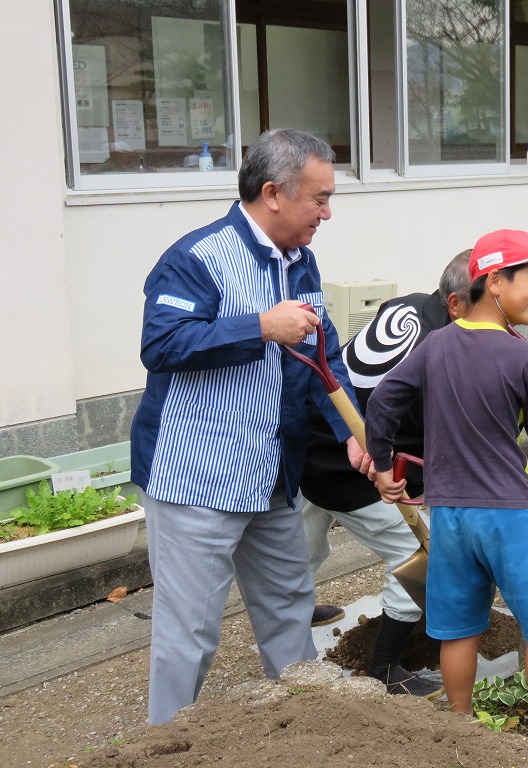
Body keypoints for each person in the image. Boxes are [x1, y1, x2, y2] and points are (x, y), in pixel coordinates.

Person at [131, 128, 362, 725]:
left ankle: (303, 730)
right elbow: (161, 343)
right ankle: (163, 748)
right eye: (320, 198)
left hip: (271, 479)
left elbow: (323, 357)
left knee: (290, 607)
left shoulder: (301, 262)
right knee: (190, 634)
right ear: (274, 193)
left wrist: (357, 435)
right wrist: (258, 325)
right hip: (196, 481)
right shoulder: (197, 258)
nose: (328, 213)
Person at [366, 230, 528, 761]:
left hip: (450, 516)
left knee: (458, 628)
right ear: (495, 282)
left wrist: (385, 467)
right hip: (508, 514)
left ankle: (460, 727)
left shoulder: (435, 345)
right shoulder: (525, 358)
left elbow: (385, 399)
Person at [300, 250, 472, 696]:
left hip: (318, 439)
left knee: (304, 544)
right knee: (417, 556)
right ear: (456, 303)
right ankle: (385, 668)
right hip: (352, 463)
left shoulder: (412, 305)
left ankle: (293, 610)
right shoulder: (441, 351)